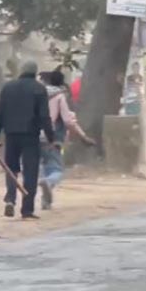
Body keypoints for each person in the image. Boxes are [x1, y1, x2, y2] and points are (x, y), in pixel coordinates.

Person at [0, 61, 54, 220]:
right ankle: (27, 209)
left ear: (21, 71)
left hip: (11, 134)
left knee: (11, 168)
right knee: (30, 172)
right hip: (30, 135)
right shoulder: (39, 88)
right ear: (35, 72)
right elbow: (44, 116)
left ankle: (10, 199)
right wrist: (51, 136)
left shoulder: (8, 87)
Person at [40, 70, 95, 210]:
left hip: (35, 137)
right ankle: (48, 183)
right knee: (57, 170)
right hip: (54, 138)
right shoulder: (60, 97)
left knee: (45, 166)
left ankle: (46, 201)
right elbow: (68, 121)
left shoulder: (36, 95)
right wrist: (83, 136)